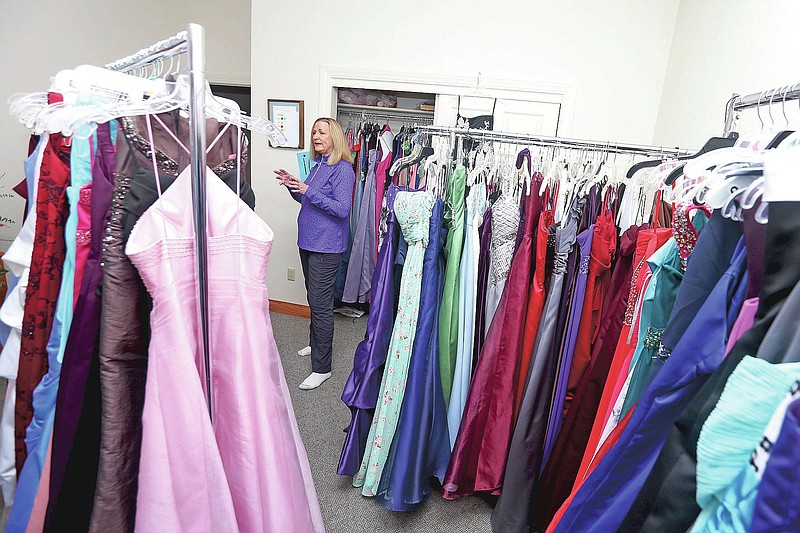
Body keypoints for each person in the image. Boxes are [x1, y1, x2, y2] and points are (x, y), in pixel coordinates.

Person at [275, 117, 355, 390]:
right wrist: (293, 186)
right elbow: (308, 198)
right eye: (314, 132)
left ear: (334, 136)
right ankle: (315, 344)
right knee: (314, 298)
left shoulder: (343, 170)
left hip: (326, 246)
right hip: (308, 242)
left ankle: (323, 368)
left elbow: (342, 209)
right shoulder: (319, 165)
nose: (316, 136)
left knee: (321, 306)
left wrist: (308, 190)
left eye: (322, 132)